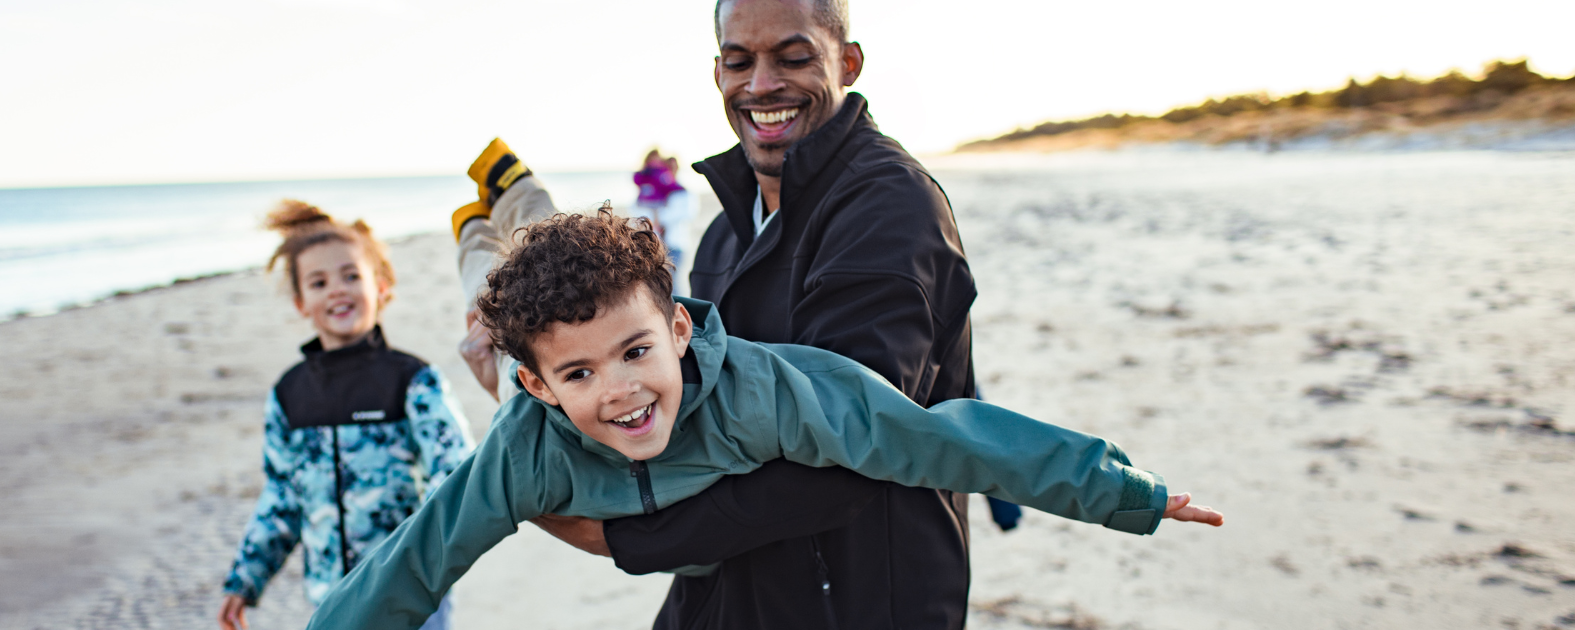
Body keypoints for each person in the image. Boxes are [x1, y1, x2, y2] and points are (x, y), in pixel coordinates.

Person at [305, 211, 1223, 630]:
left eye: (636, 353)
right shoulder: (530, 437)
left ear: (677, 327)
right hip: (534, 390)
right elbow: (419, 556)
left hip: (681, 504)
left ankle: (515, 218)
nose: (622, 390)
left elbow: (939, 438)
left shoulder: (767, 392)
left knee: (547, 290)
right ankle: (485, 224)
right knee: (487, 305)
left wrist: (1123, 492)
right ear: (547, 390)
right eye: (579, 373)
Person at [457, 2, 1020, 627]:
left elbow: (858, 452)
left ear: (849, 62)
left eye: (794, 56)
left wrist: (627, 539)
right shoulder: (728, 226)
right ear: (717, 71)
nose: (760, 85)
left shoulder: (890, 210)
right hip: (722, 595)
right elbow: (686, 417)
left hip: (860, 600)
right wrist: (536, 403)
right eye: (739, 61)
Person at [216, 201, 475, 630]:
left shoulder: (412, 379)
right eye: (319, 282)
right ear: (302, 302)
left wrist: (427, 556)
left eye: (351, 276)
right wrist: (246, 579)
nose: (337, 290)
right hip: (331, 602)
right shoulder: (289, 394)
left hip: (410, 594)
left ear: (382, 287)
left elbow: (455, 472)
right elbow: (282, 498)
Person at [630, 149, 696, 271]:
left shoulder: (682, 191)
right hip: (654, 244)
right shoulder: (654, 190)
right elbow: (636, 211)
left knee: (672, 281)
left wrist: (657, 217)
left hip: (675, 243)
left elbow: (687, 214)